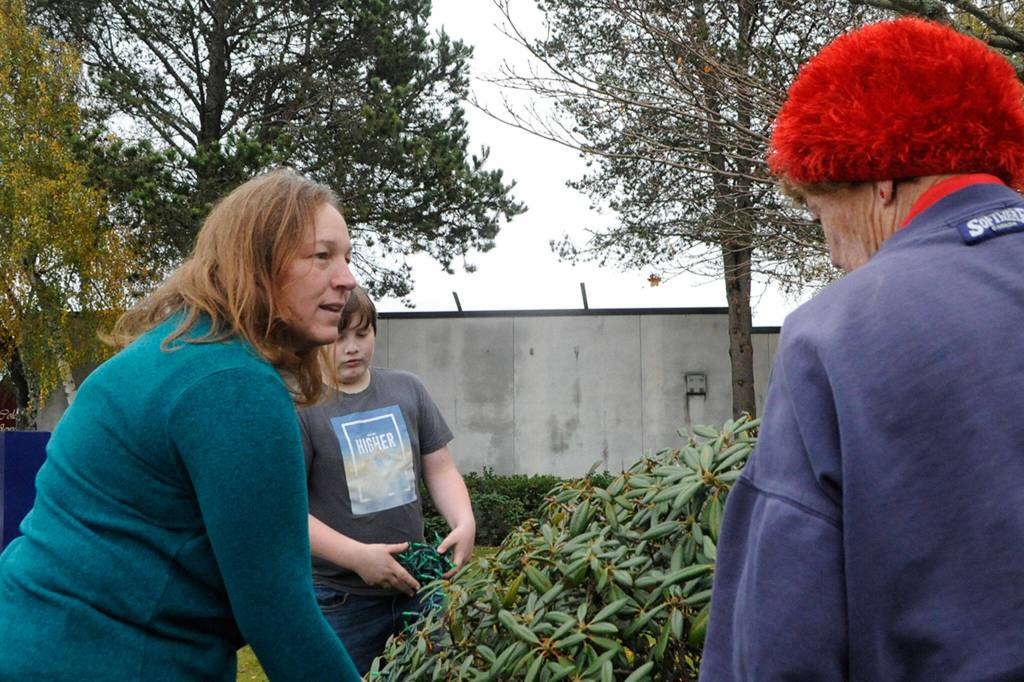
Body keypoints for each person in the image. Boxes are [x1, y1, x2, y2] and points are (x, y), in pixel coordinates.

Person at [701, 18, 1024, 681]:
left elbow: (781, 640)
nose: (832, 251)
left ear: (879, 174)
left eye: (822, 213)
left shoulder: (836, 333)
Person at [0, 169, 362, 681]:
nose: (347, 278)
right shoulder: (233, 385)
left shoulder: (173, 348)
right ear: (255, 261)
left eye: (347, 257)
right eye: (322, 256)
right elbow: (280, 617)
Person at [299, 286, 475, 675]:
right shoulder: (301, 407)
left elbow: (440, 468)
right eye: (339, 335)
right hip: (340, 600)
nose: (352, 347)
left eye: (362, 334)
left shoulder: (406, 389)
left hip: (420, 586)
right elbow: (288, 510)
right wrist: (358, 558)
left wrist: (465, 522)